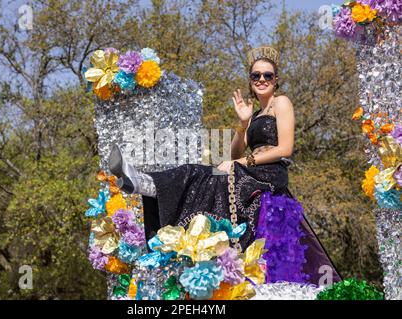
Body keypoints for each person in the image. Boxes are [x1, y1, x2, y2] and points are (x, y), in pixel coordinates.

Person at [108, 46, 341, 286]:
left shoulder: (281, 103)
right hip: (252, 171)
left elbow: (284, 149)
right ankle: (146, 183)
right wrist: (243, 124)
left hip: (271, 174)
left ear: (276, 80)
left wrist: (241, 162)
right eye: (256, 76)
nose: (262, 80)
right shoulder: (257, 114)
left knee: (210, 172)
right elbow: (234, 152)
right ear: (250, 82)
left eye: (267, 76)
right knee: (204, 173)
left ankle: (147, 183)